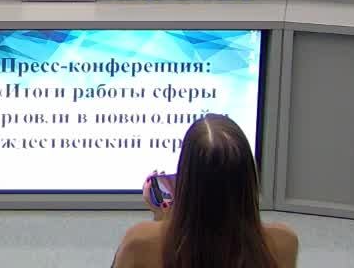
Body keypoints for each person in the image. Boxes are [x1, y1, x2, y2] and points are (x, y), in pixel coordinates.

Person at [112, 114, 299, 268]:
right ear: (248, 178)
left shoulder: (140, 242)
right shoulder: (284, 242)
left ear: (186, 178)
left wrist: (162, 216)